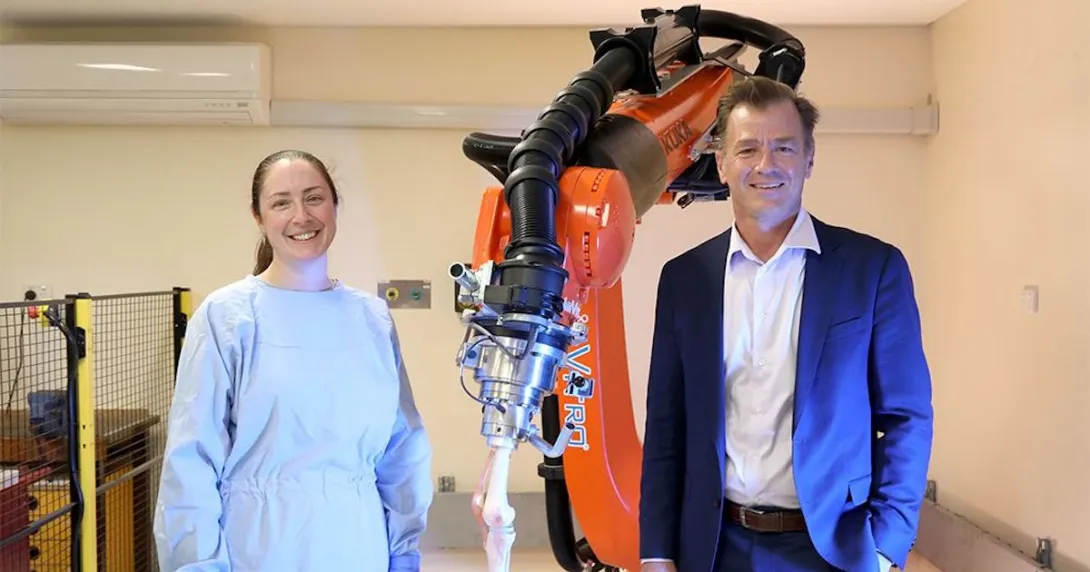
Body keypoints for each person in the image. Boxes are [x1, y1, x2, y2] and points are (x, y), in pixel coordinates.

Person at [638, 76, 933, 572]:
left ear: (809, 159)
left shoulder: (872, 269)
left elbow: (906, 419)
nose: (765, 165)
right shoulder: (684, 280)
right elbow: (667, 427)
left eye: (784, 148)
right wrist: (656, 552)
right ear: (722, 163)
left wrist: (884, 547)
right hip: (713, 548)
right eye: (747, 148)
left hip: (832, 550)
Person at [153, 149, 434, 571]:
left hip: (359, 543)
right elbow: (192, 457)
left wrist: (403, 548)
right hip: (260, 548)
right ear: (259, 217)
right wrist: (197, 563)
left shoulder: (371, 319)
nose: (301, 216)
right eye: (281, 202)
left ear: (335, 205)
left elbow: (402, 445)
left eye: (314, 197)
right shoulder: (227, 316)